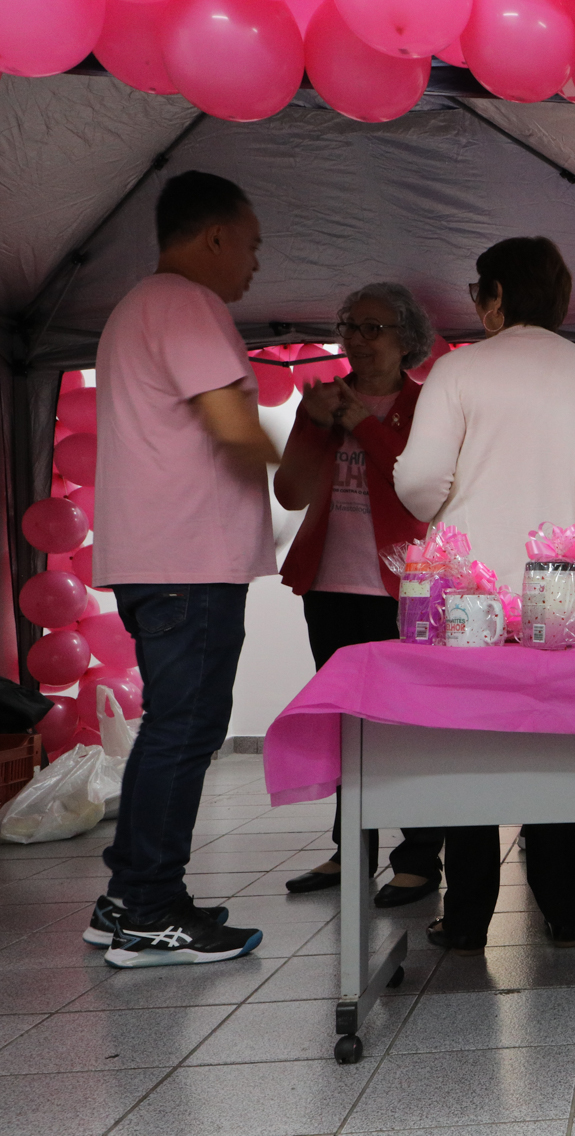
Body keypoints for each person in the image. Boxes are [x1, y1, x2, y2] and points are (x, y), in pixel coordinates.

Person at [394, 236, 575, 953]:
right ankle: (564, 912)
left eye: (478, 294)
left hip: (476, 598)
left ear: (494, 298)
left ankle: (467, 920)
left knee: (472, 755)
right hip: (570, 598)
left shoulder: (460, 371)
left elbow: (418, 482)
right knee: (560, 749)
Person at [88, 171, 277, 967]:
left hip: (161, 559)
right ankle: (149, 909)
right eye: (252, 245)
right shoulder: (186, 303)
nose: (255, 266)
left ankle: (129, 895)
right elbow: (233, 429)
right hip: (187, 562)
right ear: (214, 238)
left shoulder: (139, 306)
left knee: (173, 728)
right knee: (186, 730)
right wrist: (315, 439)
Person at [274, 283, 444, 908]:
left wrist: (362, 426)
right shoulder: (321, 401)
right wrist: (317, 425)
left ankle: (421, 855)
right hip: (328, 586)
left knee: (410, 724)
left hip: (407, 591)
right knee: (350, 724)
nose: (358, 341)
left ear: (407, 340)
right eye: (350, 327)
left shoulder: (428, 407)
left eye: (374, 329)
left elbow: (416, 491)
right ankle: (355, 848)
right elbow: (290, 494)